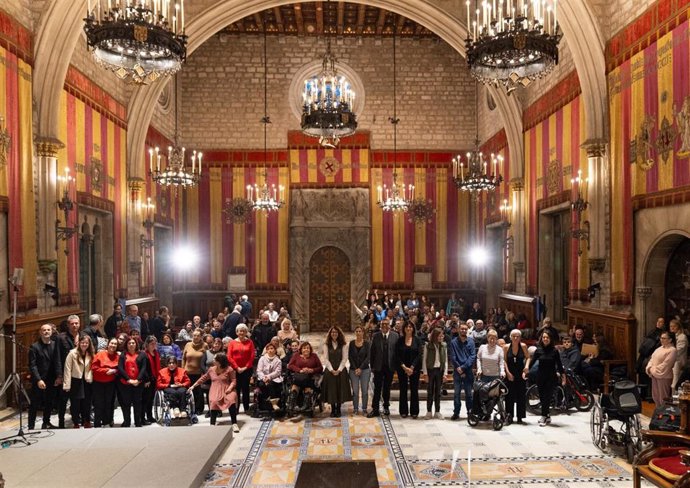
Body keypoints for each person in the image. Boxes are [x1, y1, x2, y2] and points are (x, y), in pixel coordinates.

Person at [191, 353, 239, 432]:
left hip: (227, 389)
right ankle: (212, 424)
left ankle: (234, 423)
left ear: (219, 362)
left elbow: (233, 381)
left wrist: (230, 389)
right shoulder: (211, 369)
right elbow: (203, 378)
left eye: (214, 359)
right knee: (213, 401)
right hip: (215, 389)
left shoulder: (229, 369)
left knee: (231, 400)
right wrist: (193, 386)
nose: (212, 360)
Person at [28, 323, 62, 430]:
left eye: (48, 330)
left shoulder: (55, 344)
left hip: (51, 378)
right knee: (35, 403)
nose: (46, 332)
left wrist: (59, 376)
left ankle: (46, 422)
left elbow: (58, 361)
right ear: (40, 332)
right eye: (44, 330)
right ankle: (31, 426)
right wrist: (38, 380)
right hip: (39, 379)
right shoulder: (34, 346)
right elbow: (32, 365)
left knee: (49, 402)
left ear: (51, 332)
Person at [529, 331, 565, 426]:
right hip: (540, 377)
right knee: (541, 397)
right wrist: (525, 371)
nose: (545, 339)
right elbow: (532, 362)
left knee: (546, 398)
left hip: (551, 378)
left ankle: (544, 416)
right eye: (544, 337)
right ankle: (547, 416)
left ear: (550, 339)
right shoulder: (538, 350)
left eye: (547, 337)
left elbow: (560, 365)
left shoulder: (554, 351)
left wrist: (563, 376)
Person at [367, 319, 399, 418]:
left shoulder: (395, 336)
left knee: (387, 388)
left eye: (386, 324)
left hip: (390, 367)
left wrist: (396, 366)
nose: (385, 326)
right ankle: (375, 409)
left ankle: (386, 407)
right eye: (383, 324)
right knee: (377, 388)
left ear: (389, 325)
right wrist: (372, 366)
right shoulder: (376, 336)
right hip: (378, 366)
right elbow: (372, 352)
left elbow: (397, 352)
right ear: (380, 326)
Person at [63, 334, 94, 428]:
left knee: (87, 402)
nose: (84, 344)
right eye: (82, 342)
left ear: (89, 344)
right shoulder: (72, 353)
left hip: (87, 381)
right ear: (79, 343)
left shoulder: (91, 353)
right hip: (75, 380)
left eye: (86, 343)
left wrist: (90, 376)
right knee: (76, 403)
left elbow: (93, 367)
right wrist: (67, 385)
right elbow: (67, 369)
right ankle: (76, 422)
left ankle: (86, 421)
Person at [321, 326, 352, 417]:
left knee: (339, 389)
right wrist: (331, 369)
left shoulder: (343, 344)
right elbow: (326, 359)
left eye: (336, 332)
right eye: (332, 332)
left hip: (340, 370)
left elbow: (344, 358)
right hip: (330, 370)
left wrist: (339, 370)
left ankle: (338, 408)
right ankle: (333, 408)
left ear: (339, 334)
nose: (334, 334)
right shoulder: (326, 344)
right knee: (331, 389)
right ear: (330, 334)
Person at [57, 315, 81, 429]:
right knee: (63, 400)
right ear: (68, 325)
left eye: (76, 323)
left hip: (78, 373)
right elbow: (57, 357)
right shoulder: (61, 338)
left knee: (76, 400)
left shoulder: (83, 336)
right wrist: (59, 375)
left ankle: (76, 421)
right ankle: (61, 422)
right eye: (72, 323)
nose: (75, 325)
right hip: (65, 373)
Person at [118, 337, 147, 427]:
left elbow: (143, 368)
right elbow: (120, 368)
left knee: (137, 403)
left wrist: (137, 380)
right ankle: (127, 422)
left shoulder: (142, 354)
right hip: (125, 383)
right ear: (126, 344)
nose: (131, 345)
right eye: (129, 343)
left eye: (133, 343)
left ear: (136, 344)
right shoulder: (123, 355)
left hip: (138, 383)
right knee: (126, 403)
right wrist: (129, 380)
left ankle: (137, 422)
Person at [287, 341, 323, 415]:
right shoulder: (296, 355)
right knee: (295, 385)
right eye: (304, 348)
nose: (306, 349)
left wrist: (312, 370)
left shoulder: (314, 356)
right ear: (301, 349)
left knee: (308, 383)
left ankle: (306, 405)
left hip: (310, 377)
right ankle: (291, 405)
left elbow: (320, 368)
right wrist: (300, 370)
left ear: (310, 349)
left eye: (307, 348)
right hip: (299, 377)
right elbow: (290, 365)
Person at [226, 324, 255, 414]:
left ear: (246, 332)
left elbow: (252, 356)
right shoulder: (232, 343)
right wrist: (237, 367)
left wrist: (245, 367)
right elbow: (229, 357)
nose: (241, 332)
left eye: (243, 331)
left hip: (247, 369)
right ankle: (236, 408)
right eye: (240, 331)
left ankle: (246, 408)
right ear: (236, 332)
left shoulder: (250, 342)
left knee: (246, 389)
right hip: (235, 370)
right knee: (236, 389)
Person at [395, 321, 422, 419]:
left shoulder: (417, 340)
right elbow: (396, 355)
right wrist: (404, 367)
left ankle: (414, 411)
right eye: (406, 327)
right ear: (404, 328)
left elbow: (419, 355)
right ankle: (403, 411)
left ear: (413, 329)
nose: (408, 328)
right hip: (402, 368)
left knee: (414, 390)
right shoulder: (400, 340)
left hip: (414, 369)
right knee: (403, 389)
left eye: (410, 327)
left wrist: (412, 367)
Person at [449, 322, 476, 421]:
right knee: (457, 394)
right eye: (462, 329)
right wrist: (459, 368)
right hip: (457, 371)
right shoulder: (453, 342)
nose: (464, 330)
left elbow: (472, 356)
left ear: (467, 330)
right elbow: (453, 357)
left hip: (468, 371)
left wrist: (463, 367)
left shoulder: (471, 341)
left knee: (469, 394)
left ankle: (470, 412)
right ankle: (456, 412)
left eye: (465, 329)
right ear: (459, 329)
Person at [91, 337, 120, 428]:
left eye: (115, 344)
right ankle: (97, 423)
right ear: (108, 344)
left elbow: (120, 369)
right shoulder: (100, 354)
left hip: (110, 383)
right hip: (98, 383)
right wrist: (107, 370)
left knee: (109, 403)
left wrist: (114, 371)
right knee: (98, 403)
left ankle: (107, 422)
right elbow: (94, 368)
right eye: (112, 343)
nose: (113, 345)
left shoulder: (118, 356)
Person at [503, 329, 529, 425]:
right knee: (509, 396)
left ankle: (520, 417)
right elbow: (504, 360)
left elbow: (528, 357)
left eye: (517, 336)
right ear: (510, 337)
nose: (515, 338)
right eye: (513, 336)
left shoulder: (523, 346)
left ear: (520, 337)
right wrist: (508, 372)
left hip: (520, 373)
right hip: (510, 373)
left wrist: (526, 367)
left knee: (521, 396)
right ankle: (509, 416)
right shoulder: (506, 347)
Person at [422, 327, 448, 420]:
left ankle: (437, 411)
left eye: (442, 335)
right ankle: (429, 411)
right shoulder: (428, 345)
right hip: (430, 370)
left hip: (439, 371)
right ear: (435, 336)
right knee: (430, 391)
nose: (442, 337)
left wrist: (445, 373)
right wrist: (425, 373)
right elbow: (424, 360)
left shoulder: (444, 345)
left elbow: (445, 361)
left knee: (438, 392)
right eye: (440, 336)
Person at [646, 331, 677, 405]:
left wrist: (651, 369)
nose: (661, 339)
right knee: (655, 396)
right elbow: (651, 359)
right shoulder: (659, 348)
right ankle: (658, 412)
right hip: (654, 375)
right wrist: (649, 368)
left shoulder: (672, 350)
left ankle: (663, 414)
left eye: (664, 338)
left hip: (664, 376)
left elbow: (665, 365)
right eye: (661, 338)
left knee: (663, 397)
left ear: (670, 340)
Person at [182, 328, 208, 415]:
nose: (195, 337)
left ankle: (199, 409)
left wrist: (204, 371)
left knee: (199, 392)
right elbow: (183, 358)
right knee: (188, 391)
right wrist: (182, 370)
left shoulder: (205, 345)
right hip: (188, 372)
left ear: (201, 337)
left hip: (199, 373)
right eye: (194, 335)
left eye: (198, 336)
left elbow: (206, 359)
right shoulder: (188, 345)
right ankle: (189, 408)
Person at [348, 325, 371, 416]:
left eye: (360, 331)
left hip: (365, 370)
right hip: (353, 370)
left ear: (363, 332)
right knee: (355, 390)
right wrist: (356, 368)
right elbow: (350, 357)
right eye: (356, 331)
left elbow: (368, 357)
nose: (358, 333)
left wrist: (360, 368)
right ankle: (355, 408)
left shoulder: (367, 343)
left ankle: (364, 408)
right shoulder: (351, 343)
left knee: (365, 390)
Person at [256, 342, 283, 413]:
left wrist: (269, 377)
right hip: (263, 378)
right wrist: (264, 378)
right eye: (268, 349)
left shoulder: (278, 360)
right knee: (262, 384)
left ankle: (273, 403)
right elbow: (259, 370)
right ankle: (270, 402)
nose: (270, 350)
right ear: (266, 350)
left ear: (275, 350)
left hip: (274, 379)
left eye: (272, 349)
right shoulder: (262, 359)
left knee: (271, 384)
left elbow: (277, 372)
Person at [141, 336, 161, 425]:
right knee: (145, 400)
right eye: (151, 344)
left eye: (155, 344)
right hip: (147, 380)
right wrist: (146, 379)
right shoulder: (144, 354)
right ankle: (142, 417)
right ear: (147, 345)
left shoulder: (156, 353)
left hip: (154, 379)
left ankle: (149, 415)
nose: (153, 345)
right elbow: (143, 369)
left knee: (150, 399)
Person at [670, 319, 688, 390]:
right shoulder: (674, 336)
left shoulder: (682, 337)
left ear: (678, 327)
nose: (672, 328)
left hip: (679, 361)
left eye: (674, 326)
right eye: (671, 326)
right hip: (674, 360)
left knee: (675, 382)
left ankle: (675, 399)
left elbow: (678, 351)